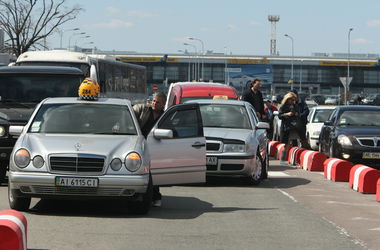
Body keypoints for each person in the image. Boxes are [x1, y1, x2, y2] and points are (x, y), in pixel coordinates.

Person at [133, 92, 167, 207]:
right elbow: (133, 112)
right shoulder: (144, 110)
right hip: (140, 146)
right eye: (153, 101)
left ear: (163, 104)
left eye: (157, 102)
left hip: (156, 148)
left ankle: (156, 197)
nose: (154, 103)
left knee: (154, 173)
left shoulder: (165, 117)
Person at [278, 92, 299, 163]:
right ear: (287, 99)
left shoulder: (295, 106)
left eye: (293, 100)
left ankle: (294, 160)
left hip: (294, 126)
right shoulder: (283, 106)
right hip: (286, 127)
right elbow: (279, 116)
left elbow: (298, 114)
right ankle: (283, 159)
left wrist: (295, 114)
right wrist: (287, 114)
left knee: (295, 143)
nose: (292, 101)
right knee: (286, 144)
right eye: (291, 100)